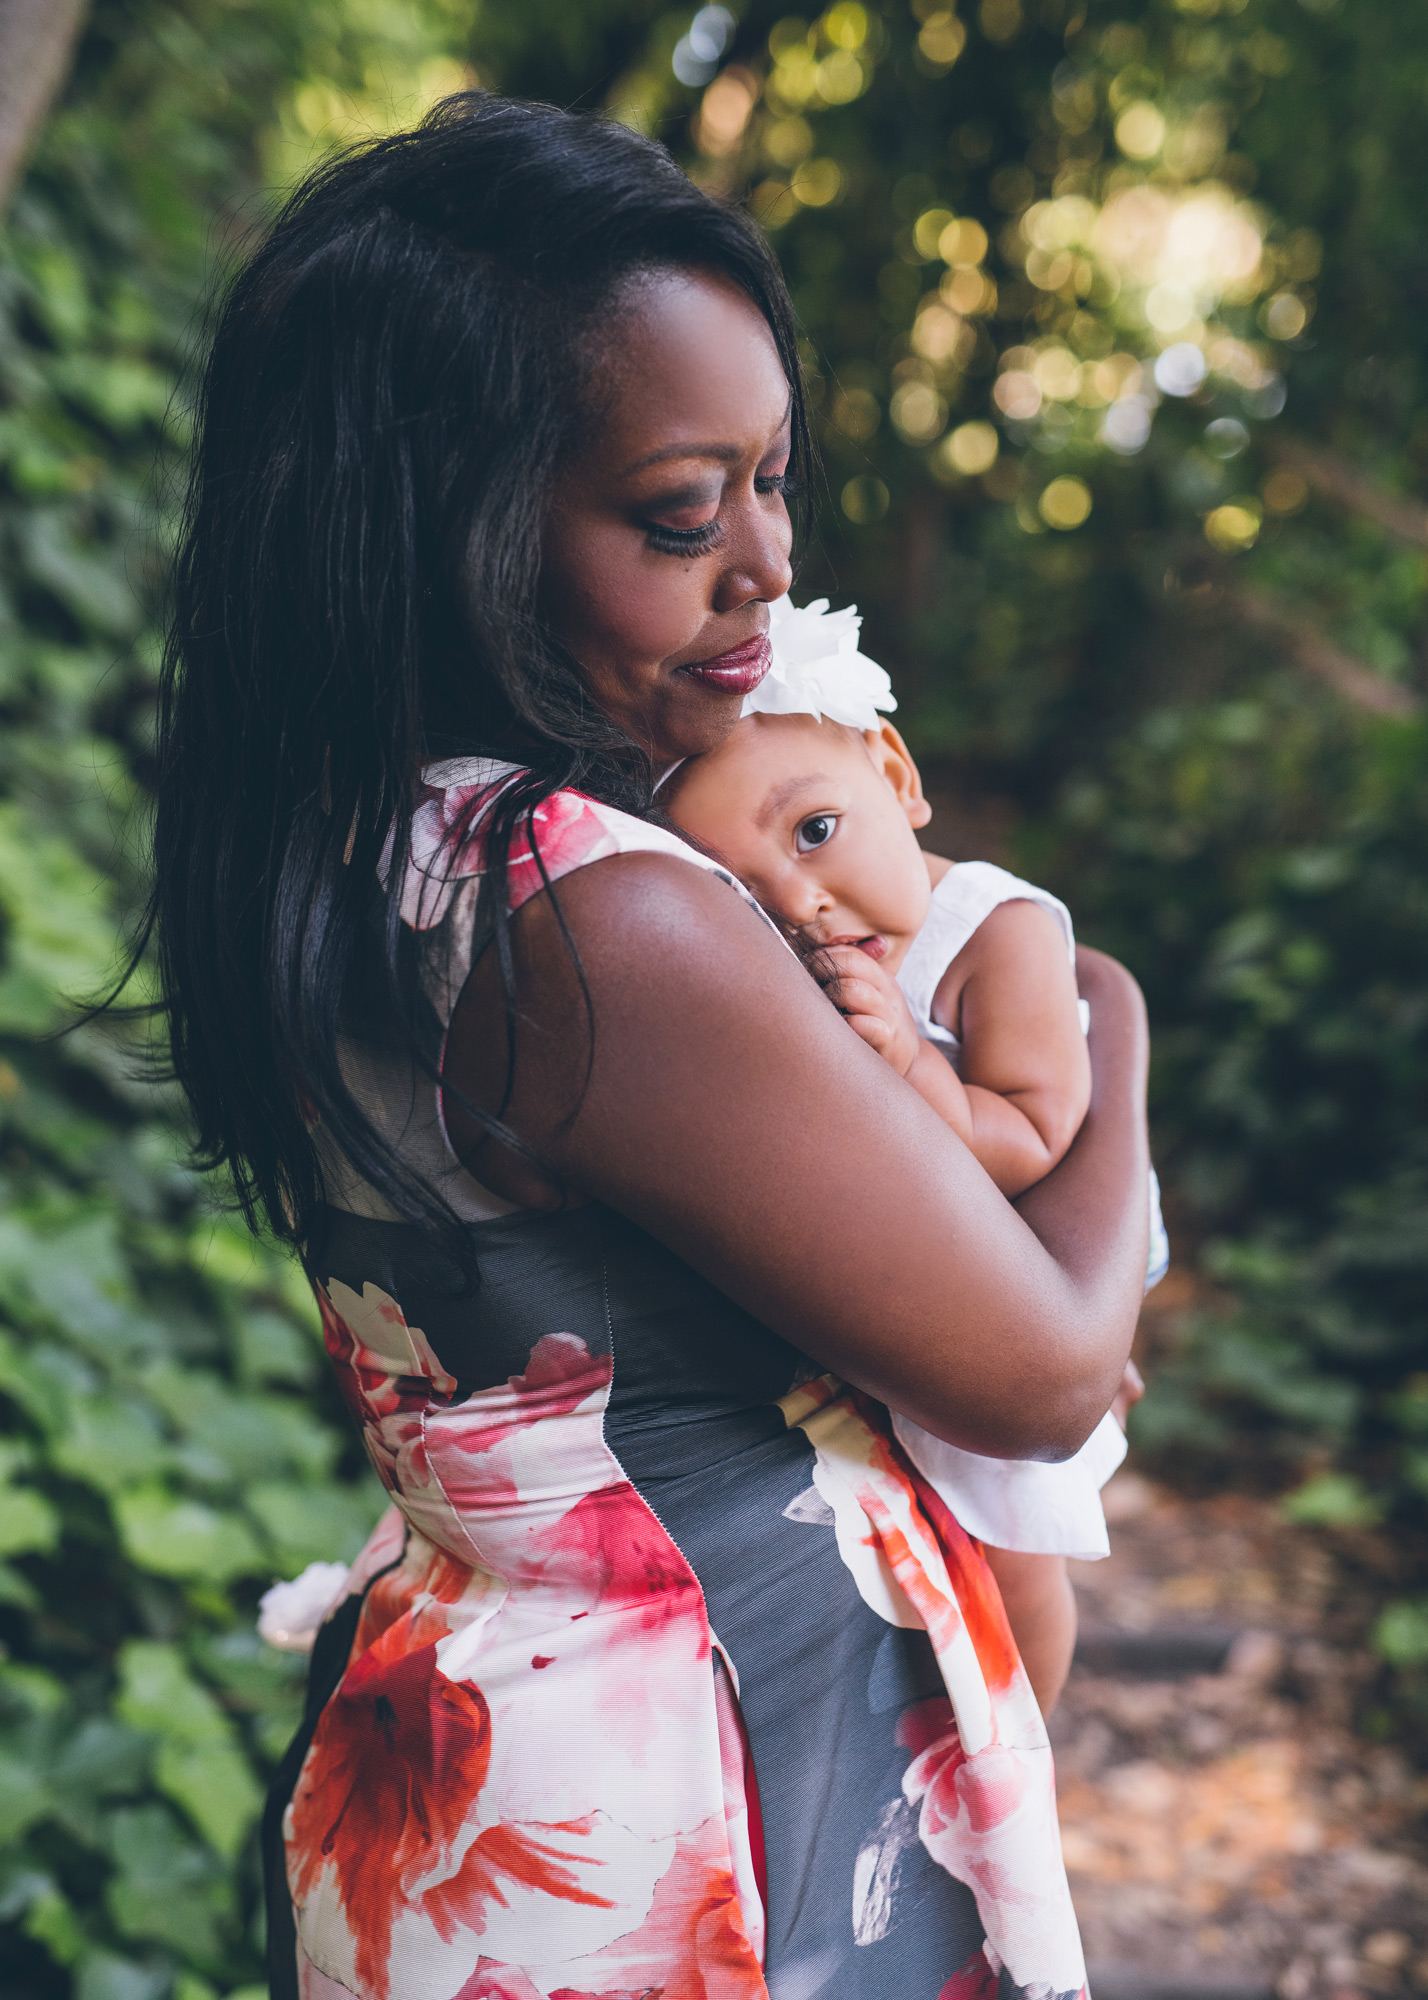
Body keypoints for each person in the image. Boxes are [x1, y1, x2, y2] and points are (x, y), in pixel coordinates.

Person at [150, 93, 1150, 2000]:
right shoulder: (583, 906)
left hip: (482, 1755)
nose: (763, 565)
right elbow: (1043, 1368)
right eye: (680, 514)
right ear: (445, 530)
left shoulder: (357, 838)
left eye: (773, 481)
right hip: (701, 1800)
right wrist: (1102, 1018)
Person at [662, 597, 1168, 1715]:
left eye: (814, 832)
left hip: (1041, 1245)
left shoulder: (998, 932)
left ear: (893, 772)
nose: (804, 904)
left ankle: (1023, 1738)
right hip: (922, 1269)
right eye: (747, 898)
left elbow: (1040, 1136)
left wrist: (917, 1071)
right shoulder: (794, 963)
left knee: (1017, 1552)